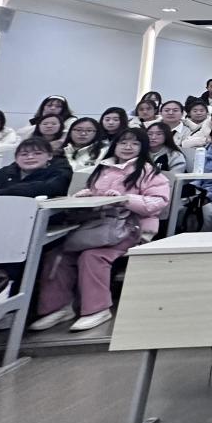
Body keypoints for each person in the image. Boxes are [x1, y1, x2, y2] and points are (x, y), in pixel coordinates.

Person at [30, 129, 169, 332]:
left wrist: (126, 199)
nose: (128, 147)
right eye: (123, 143)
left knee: (93, 256)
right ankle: (59, 307)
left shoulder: (148, 171)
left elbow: (158, 202)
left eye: (134, 144)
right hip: (97, 226)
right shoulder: (103, 168)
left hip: (130, 228)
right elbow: (96, 195)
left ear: (143, 148)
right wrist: (85, 196)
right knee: (58, 255)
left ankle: (98, 308)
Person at [0, 137, 72, 198]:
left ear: (50, 156)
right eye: (24, 154)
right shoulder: (7, 172)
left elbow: (47, 187)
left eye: (37, 153)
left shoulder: (60, 171)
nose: (30, 157)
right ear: (16, 158)